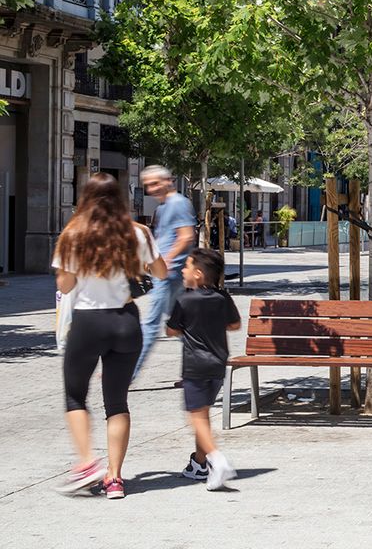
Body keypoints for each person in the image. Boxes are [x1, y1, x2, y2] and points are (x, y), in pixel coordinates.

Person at [54, 173, 167, 498]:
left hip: (89, 322)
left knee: (75, 396)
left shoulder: (73, 233)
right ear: (120, 198)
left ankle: (87, 463)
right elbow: (160, 272)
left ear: (85, 198)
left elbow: (65, 286)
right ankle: (115, 479)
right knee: (117, 401)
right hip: (125, 321)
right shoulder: (138, 232)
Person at [165, 247, 242, 489]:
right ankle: (199, 464)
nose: (183, 271)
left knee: (196, 417)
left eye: (186, 266)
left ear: (198, 274)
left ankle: (217, 460)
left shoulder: (184, 300)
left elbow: (171, 330)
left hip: (195, 366)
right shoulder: (223, 297)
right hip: (218, 364)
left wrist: (188, 328)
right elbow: (235, 325)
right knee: (203, 414)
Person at [137, 165, 197, 379]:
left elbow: (186, 236)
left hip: (168, 274)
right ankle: (203, 364)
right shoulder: (163, 207)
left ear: (168, 181)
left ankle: (127, 374)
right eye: (148, 185)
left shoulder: (178, 203)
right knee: (178, 324)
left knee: (151, 324)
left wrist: (168, 260)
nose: (152, 189)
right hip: (165, 272)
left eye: (155, 183)